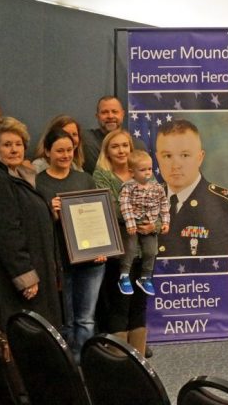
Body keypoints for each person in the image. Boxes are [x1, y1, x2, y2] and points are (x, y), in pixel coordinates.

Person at [0, 117, 61, 328]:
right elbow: (7, 232)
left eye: (18, 144)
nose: (14, 150)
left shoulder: (22, 175)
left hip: (36, 269)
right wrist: (25, 277)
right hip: (9, 281)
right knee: (21, 334)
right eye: (7, 145)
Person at [36, 127, 104, 361]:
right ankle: (68, 365)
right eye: (59, 151)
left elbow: (99, 218)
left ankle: (85, 363)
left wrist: (103, 248)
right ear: (47, 152)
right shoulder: (38, 183)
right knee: (65, 319)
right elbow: (35, 226)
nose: (65, 155)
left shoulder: (84, 179)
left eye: (69, 150)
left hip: (91, 260)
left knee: (86, 319)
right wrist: (51, 213)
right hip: (59, 261)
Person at [93, 129, 151, 355]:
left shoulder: (143, 170)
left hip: (145, 250)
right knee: (119, 305)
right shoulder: (101, 176)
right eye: (115, 146)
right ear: (107, 151)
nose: (121, 150)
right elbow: (110, 209)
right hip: (119, 252)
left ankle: (138, 359)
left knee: (139, 305)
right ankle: (119, 360)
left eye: (125, 145)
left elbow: (159, 205)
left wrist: (154, 225)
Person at [155, 119, 228, 257]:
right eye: (167, 156)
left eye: (185, 155)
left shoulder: (224, 204)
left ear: (200, 158)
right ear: (157, 158)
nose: (176, 165)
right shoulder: (147, 198)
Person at [118, 150, 170, 295]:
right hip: (133, 222)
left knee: (151, 250)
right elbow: (124, 205)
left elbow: (164, 205)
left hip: (151, 222)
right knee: (130, 248)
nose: (147, 172)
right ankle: (124, 276)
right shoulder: (128, 187)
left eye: (149, 169)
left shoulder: (157, 187)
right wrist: (130, 223)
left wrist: (165, 222)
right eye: (142, 170)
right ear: (132, 172)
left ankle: (145, 277)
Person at [83, 96, 147, 174]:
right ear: (97, 116)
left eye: (115, 111)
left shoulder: (137, 146)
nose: (110, 116)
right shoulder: (86, 140)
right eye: (104, 112)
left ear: (122, 114)